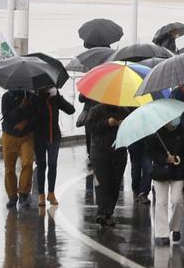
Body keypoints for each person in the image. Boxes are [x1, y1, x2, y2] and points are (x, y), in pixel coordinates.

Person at [146, 114, 184, 246]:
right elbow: (150, 151)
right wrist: (164, 159)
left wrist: (183, 163)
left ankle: (175, 227)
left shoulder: (183, 132)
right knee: (161, 202)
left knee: (176, 200)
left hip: (178, 172)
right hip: (160, 172)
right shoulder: (156, 133)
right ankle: (163, 234)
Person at [27, 86, 76, 212]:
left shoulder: (55, 97)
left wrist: (58, 97)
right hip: (39, 137)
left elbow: (71, 110)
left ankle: (51, 193)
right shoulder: (34, 98)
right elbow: (30, 117)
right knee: (41, 165)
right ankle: (41, 195)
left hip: (54, 136)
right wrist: (37, 98)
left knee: (52, 164)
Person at [83, 98, 126, 227]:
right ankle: (102, 213)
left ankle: (108, 212)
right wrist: (107, 123)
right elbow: (90, 127)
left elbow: (132, 130)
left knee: (115, 184)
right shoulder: (96, 110)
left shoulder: (124, 111)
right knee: (102, 183)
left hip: (119, 152)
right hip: (100, 153)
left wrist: (124, 124)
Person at [0, 88, 38, 209]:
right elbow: (7, 116)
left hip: (26, 135)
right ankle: (12, 196)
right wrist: (21, 107)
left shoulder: (32, 97)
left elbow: (36, 116)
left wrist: (25, 123)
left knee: (27, 163)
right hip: (9, 134)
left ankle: (23, 193)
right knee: (9, 167)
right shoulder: (6, 97)